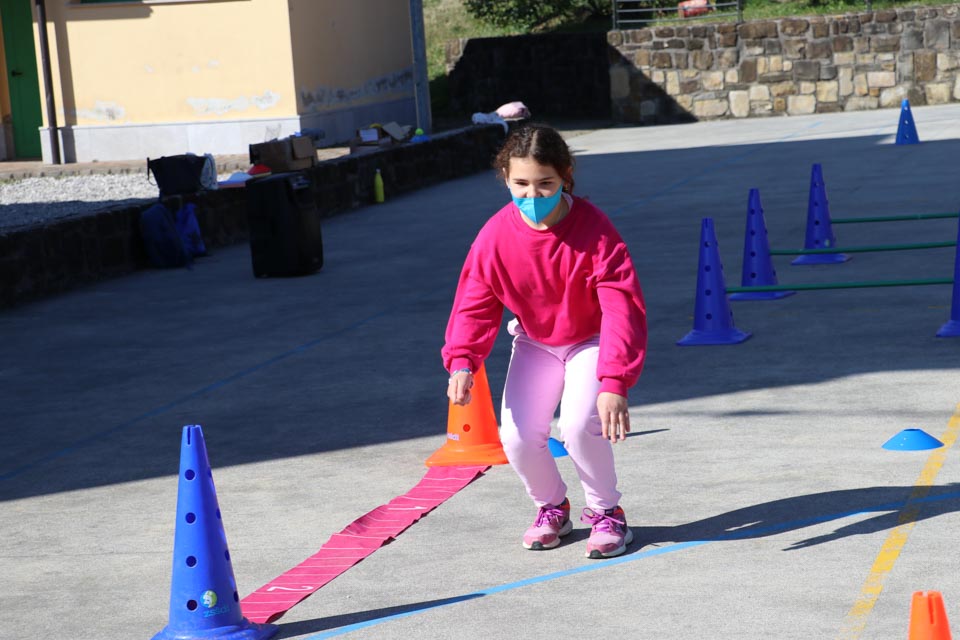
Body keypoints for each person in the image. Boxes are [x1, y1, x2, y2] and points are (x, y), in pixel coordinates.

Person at [441, 123, 648, 559]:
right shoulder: (495, 236)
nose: (532, 195)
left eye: (545, 184)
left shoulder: (595, 230)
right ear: (505, 178)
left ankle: (606, 513)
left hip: (591, 340)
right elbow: (475, 302)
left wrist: (614, 380)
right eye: (520, 184)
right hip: (536, 343)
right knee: (516, 437)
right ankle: (552, 507)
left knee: (578, 426)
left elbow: (621, 308)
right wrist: (462, 360)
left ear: (565, 177)